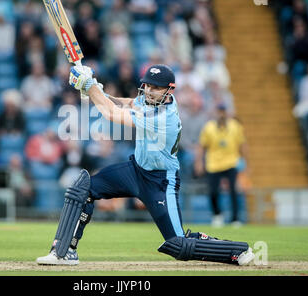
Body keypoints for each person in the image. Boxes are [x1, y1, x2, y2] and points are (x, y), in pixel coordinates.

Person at [37, 64, 255, 266]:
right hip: (136, 170)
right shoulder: (151, 100)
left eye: (156, 88)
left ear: (169, 91)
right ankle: (63, 252)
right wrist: (98, 91)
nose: (150, 91)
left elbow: (111, 113)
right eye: (148, 85)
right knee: (82, 188)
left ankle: (236, 251)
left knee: (178, 244)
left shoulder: (162, 117)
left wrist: (90, 87)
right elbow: (129, 103)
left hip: (161, 182)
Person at [194, 103, 250, 227]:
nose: (221, 114)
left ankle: (235, 218)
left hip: (231, 162)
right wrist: (199, 163)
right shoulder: (209, 127)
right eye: (219, 111)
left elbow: (242, 145)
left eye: (223, 111)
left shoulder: (235, 126)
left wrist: (246, 163)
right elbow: (201, 146)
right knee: (213, 191)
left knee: (234, 191)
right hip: (213, 163)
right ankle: (217, 214)